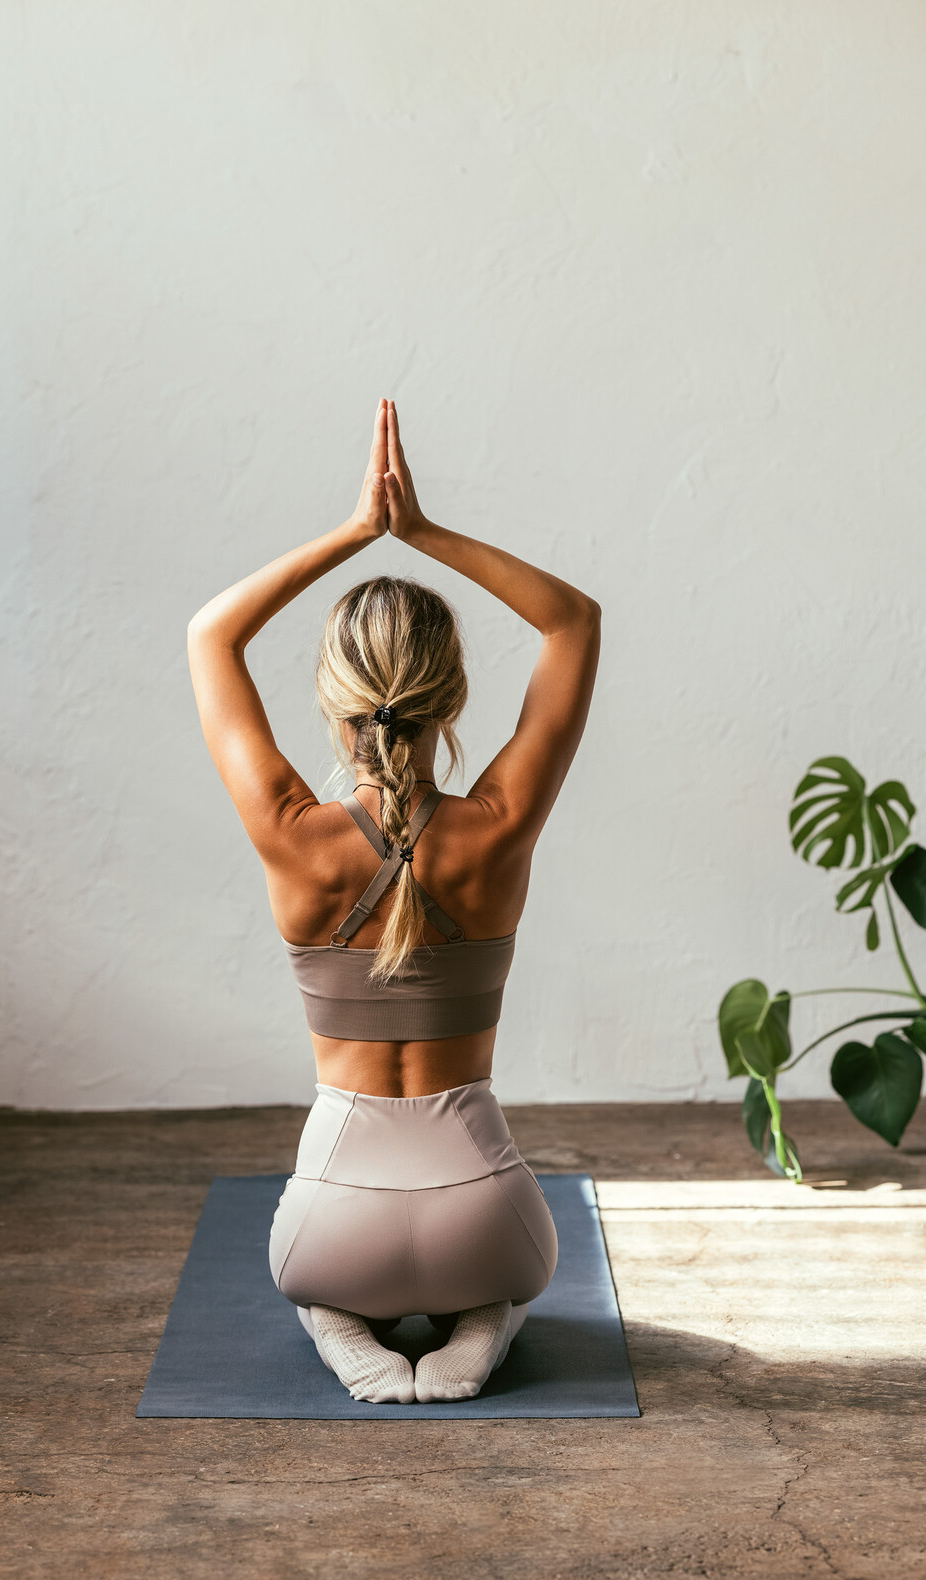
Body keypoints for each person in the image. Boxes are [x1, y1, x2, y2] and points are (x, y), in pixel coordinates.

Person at [187, 400, 600, 1403]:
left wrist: (351, 531)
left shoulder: (293, 834)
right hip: (484, 1221)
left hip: (332, 1231)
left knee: (310, 1270)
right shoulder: (499, 826)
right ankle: (479, 1323)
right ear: (451, 700)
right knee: (515, 1264)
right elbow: (573, 620)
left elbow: (212, 634)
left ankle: (340, 1322)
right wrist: (424, 532)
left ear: (335, 705)